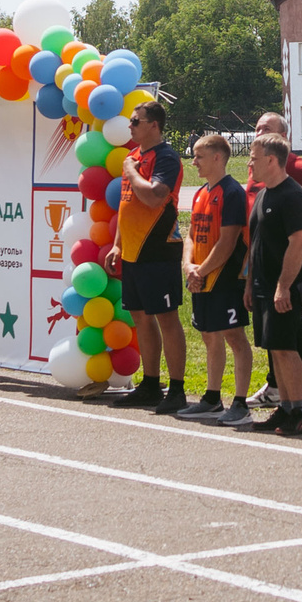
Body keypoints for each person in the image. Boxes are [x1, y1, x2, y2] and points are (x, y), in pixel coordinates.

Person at [108, 101, 189, 414]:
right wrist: (117, 245)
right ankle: (151, 384)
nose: (130, 126)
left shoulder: (165, 157)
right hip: (131, 250)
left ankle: (177, 389)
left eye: (135, 121)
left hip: (158, 248)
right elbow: (126, 204)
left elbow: (154, 197)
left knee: (166, 317)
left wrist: (131, 170)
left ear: (154, 125)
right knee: (141, 318)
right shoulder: (133, 156)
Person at [238, 136, 302, 436]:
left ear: (271, 160)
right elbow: (256, 244)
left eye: (254, 157)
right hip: (262, 286)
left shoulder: (292, 195)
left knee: (286, 348)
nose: (250, 163)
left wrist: (284, 286)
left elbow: (298, 244)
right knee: (275, 348)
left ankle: (298, 412)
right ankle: (284, 407)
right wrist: (249, 284)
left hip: (284, 288)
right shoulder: (262, 196)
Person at [178, 133, 252, 422]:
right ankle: (212, 398)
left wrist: (202, 270)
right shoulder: (200, 192)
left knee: (234, 336)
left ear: (217, 157)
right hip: (201, 277)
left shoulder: (232, 193)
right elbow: (190, 234)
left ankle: (241, 403)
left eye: (199, 156)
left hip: (224, 278)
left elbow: (228, 241)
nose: (193, 161)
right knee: (209, 335)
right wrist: (188, 266)